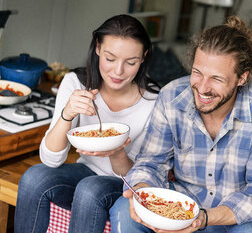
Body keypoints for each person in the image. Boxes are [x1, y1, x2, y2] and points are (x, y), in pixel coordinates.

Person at [110, 15, 252, 233]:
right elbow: (151, 162)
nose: (202, 88)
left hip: (233, 216)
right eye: (197, 73)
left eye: (217, 79)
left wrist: (202, 218)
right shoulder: (171, 96)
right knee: (123, 210)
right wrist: (143, 192)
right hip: (184, 200)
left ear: (242, 78)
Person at [14, 14, 159, 233]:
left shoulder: (154, 101)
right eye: (110, 58)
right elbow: (50, 159)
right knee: (34, 177)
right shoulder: (76, 83)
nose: (118, 71)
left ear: (143, 58)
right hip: (85, 170)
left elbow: (141, 177)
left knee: (90, 188)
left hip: (124, 182)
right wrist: (67, 114)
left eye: (130, 62)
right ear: (98, 49)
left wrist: (117, 152)